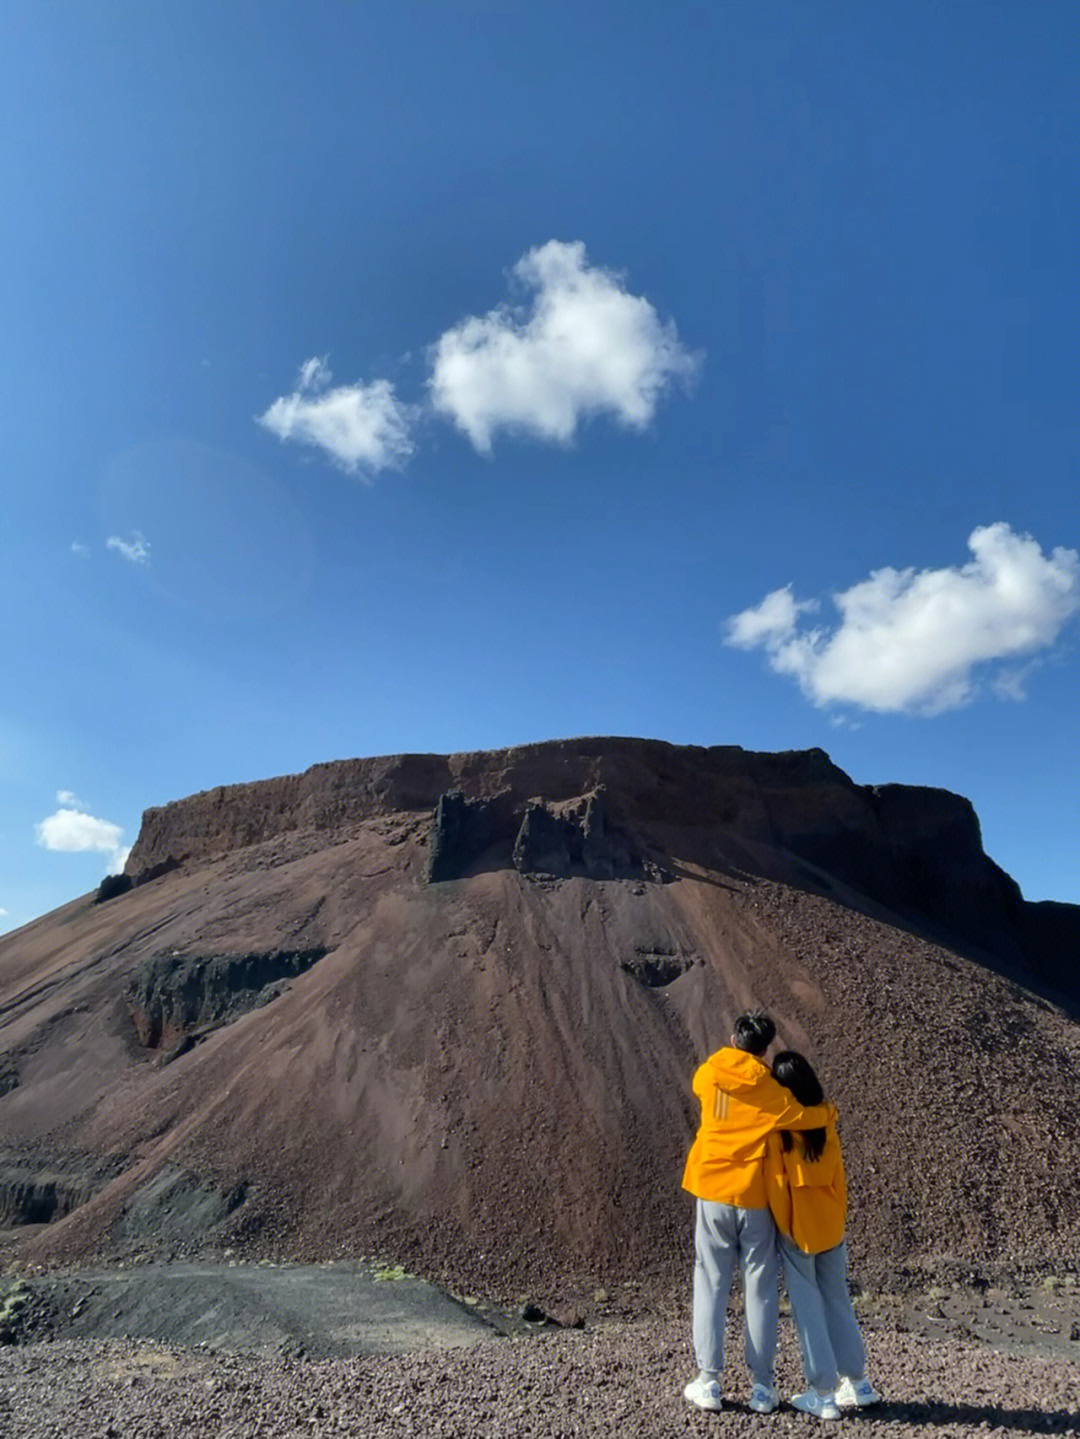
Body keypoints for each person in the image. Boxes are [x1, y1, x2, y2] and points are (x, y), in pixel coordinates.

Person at [681, 1012, 837, 1415]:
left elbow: (704, 1092)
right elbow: (803, 1117)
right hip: (754, 1199)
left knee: (711, 1283)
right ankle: (763, 1387)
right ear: (766, 1049)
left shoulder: (710, 1072)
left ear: (734, 1038)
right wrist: (829, 1114)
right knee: (760, 1289)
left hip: (712, 1191)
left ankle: (709, 1380)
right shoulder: (770, 1089)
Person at [765, 1049, 881, 1419]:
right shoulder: (826, 1122)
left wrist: (786, 1231)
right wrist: (837, 1220)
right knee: (837, 1301)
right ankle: (859, 1383)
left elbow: (777, 1187)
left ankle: (822, 1393)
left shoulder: (781, 1132)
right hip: (832, 1227)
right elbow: (840, 1180)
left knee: (808, 1310)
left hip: (799, 1232)